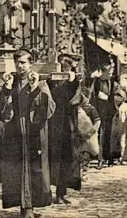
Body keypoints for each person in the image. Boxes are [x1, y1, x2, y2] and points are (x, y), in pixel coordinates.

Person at [0, 49, 56, 218]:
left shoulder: (40, 82)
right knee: (16, 168)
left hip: (33, 130)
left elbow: (49, 108)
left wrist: (35, 87)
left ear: (31, 64)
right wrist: (7, 90)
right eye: (18, 62)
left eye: (23, 62)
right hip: (15, 131)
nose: (20, 66)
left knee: (33, 167)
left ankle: (29, 207)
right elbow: (2, 111)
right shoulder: (10, 81)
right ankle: (22, 206)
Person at [49, 54, 82, 204]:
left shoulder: (72, 83)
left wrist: (72, 81)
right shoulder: (52, 83)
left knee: (66, 160)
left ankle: (61, 192)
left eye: (66, 68)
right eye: (62, 68)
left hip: (67, 127)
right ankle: (49, 192)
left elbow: (75, 98)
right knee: (52, 160)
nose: (64, 71)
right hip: (53, 126)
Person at [88, 63, 119, 168]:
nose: (110, 75)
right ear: (103, 73)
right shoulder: (97, 82)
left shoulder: (112, 82)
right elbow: (92, 95)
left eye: (111, 73)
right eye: (108, 73)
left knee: (109, 135)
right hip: (100, 111)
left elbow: (118, 95)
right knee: (100, 134)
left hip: (109, 112)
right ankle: (100, 159)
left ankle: (109, 158)